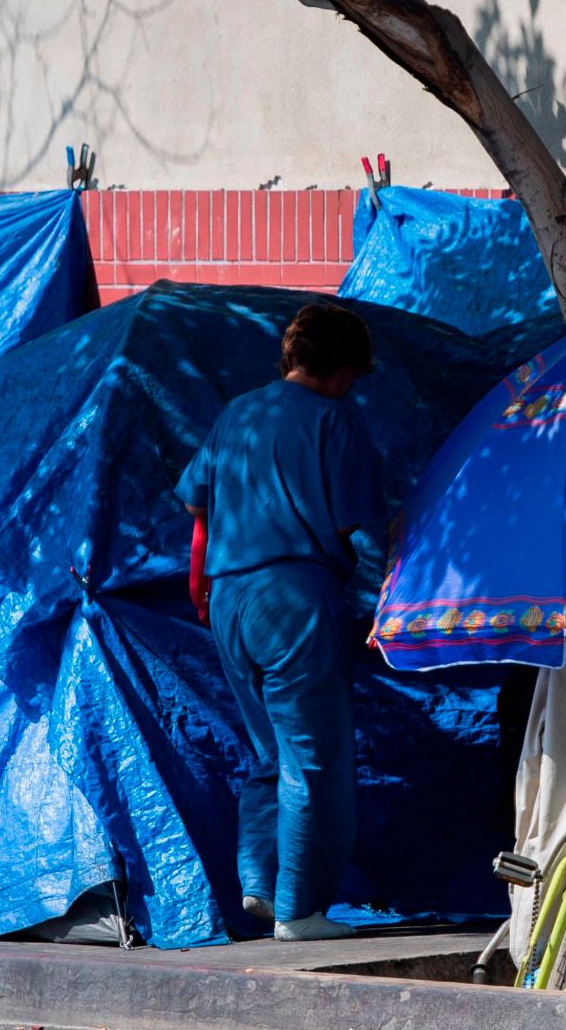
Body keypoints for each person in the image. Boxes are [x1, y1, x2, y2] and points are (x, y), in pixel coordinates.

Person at [175, 302, 387, 942]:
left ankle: (259, 885)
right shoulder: (336, 420)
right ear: (343, 369)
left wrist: (202, 586)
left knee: (269, 753)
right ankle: (299, 910)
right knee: (311, 761)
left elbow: (198, 507)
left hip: (227, 600)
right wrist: (386, 603)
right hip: (293, 598)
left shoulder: (238, 412)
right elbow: (362, 529)